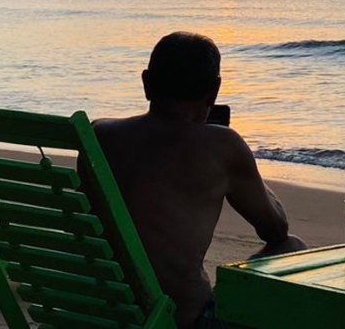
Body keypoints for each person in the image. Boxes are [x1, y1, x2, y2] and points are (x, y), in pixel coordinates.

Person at [80, 31, 305, 328]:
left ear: (146, 83)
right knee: (293, 248)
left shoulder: (98, 134)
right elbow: (276, 229)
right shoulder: (222, 146)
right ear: (214, 92)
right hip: (180, 320)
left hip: (95, 310)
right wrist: (242, 165)